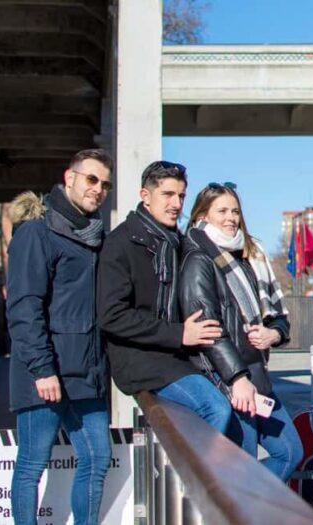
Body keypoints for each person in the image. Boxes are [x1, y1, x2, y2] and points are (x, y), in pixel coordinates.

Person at [6, 149, 114, 525]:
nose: (98, 189)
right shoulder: (37, 233)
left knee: (98, 456)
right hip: (46, 374)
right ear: (69, 178)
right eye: (91, 179)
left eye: (105, 184)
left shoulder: (96, 238)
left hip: (87, 373)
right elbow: (23, 307)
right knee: (32, 464)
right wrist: (41, 368)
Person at [180, 182, 303, 482]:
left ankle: (245, 505)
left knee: (290, 452)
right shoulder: (198, 257)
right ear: (203, 215)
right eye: (221, 211)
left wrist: (273, 335)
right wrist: (237, 379)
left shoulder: (251, 254)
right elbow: (208, 329)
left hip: (259, 374)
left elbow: (279, 318)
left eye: (235, 211)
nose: (231, 217)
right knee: (242, 467)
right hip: (231, 382)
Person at [97, 161, 231, 433]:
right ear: (145, 196)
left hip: (175, 356)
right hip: (141, 359)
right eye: (167, 195)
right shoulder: (120, 243)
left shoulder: (175, 243)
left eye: (181, 196)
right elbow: (111, 316)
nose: (176, 204)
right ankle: (199, 478)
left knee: (236, 407)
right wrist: (179, 334)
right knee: (216, 408)